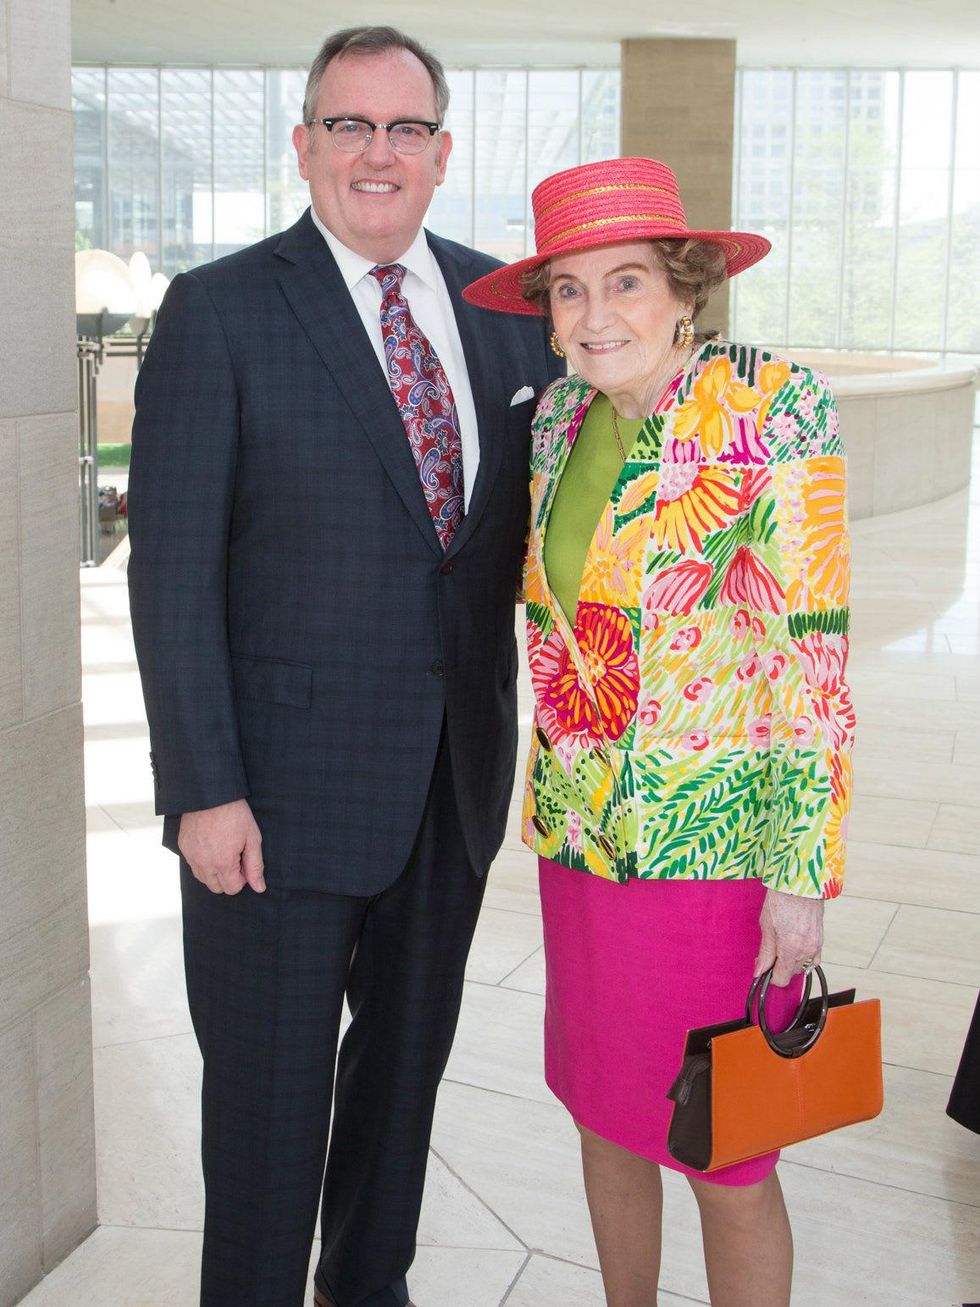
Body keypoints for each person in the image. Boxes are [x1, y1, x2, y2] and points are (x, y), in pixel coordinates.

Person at [127, 26, 557, 1307]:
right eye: (351, 126)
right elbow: (171, 575)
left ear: (439, 155)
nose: (379, 153)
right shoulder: (222, 309)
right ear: (305, 143)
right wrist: (203, 787)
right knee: (265, 1116)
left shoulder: (508, 313)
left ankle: (367, 1287)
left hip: (449, 786)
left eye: (405, 130)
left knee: (400, 1086)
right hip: (270, 799)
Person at [464, 157, 855, 1307]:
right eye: (569, 291)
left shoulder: (772, 406)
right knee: (602, 1113)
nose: (595, 317)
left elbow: (812, 649)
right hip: (583, 845)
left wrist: (802, 872)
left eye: (624, 282)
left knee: (725, 1151)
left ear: (683, 290)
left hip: (711, 855)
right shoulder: (555, 425)